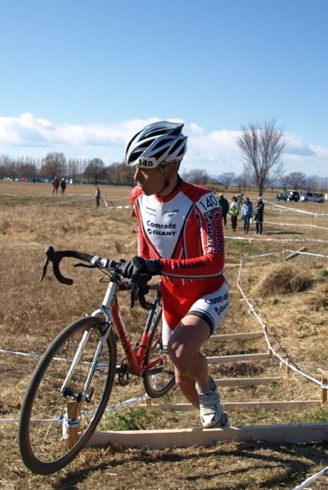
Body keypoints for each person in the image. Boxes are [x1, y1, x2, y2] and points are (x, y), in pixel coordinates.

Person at [122, 121, 230, 429]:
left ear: (170, 168)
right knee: (182, 376)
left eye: (144, 168)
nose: (136, 177)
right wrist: (142, 270)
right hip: (173, 298)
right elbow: (145, 242)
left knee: (181, 350)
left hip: (208, 293)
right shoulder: (137, 197)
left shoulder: (203, 201)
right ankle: (215, 420)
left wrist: (159, 267)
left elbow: (215, 262)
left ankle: (209, 392)